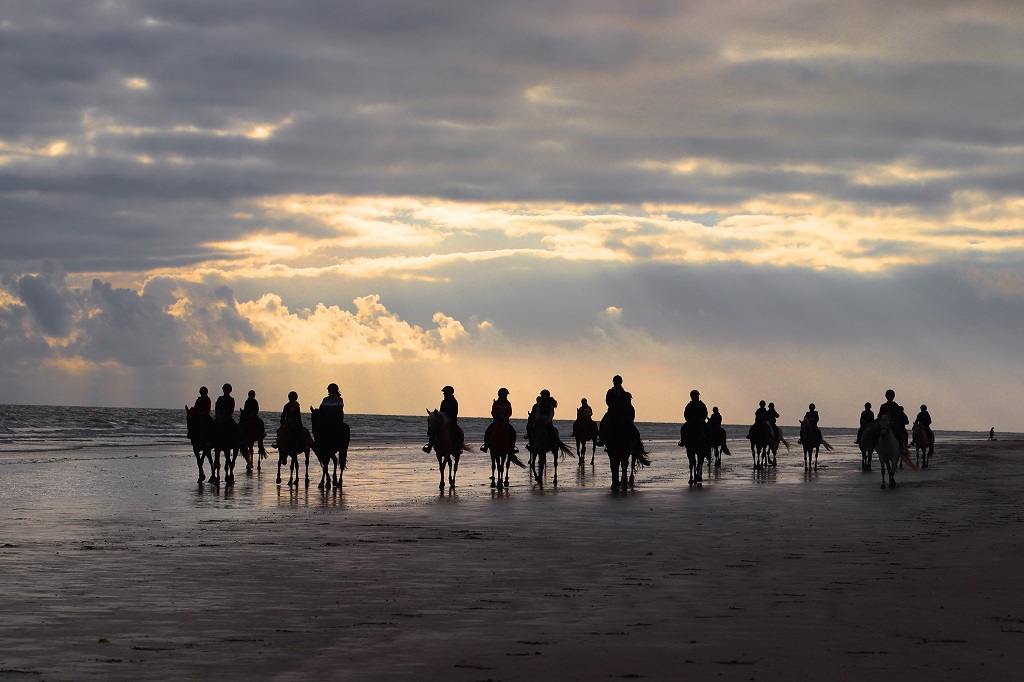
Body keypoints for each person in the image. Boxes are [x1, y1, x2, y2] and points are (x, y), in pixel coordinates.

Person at [424, 386, 462, 453]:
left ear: (449, 393)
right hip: (443, 422)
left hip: (452, 422)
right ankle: (429, 447)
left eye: (445, 392)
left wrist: (448, 419)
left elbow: (454, 413)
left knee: (456, 432)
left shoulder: (454, 402)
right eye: (444, 393)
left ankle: (458, 448)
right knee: (433, 431)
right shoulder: (443, 402)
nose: (444, 394)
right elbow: (441, 413)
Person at [482, 387, 518, 453]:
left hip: (505, 422)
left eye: (506, 395)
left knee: (513, 432)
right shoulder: (495, 403)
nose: (506, 396)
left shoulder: (508, 403)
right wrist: (496, 417)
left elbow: (510, 412)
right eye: (504, 394)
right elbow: (493, 412)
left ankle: (512, 447)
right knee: (488, 431)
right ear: (500, 395)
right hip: (496, 422)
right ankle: (486, 446)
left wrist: (505, 417)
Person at [878, 389, 909, 454]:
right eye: (888, 396)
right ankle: (875, 446)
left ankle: (901, 447)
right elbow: (880, 414)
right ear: (886, 397)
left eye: (891, 396)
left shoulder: (895, 406)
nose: (889, 398)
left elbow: (898, 415)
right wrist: (880, 419)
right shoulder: (883, 406)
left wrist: (893, 421)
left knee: (901, 432)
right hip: (884, 423)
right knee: (875, 431)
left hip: (893, 424)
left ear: (893, 397)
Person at [239, 389, 267, 456]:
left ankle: (261, 434)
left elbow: (257, 409)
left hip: (253, 416)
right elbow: (245, 409)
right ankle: (240, 435)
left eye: (252, 395)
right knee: (241, 423)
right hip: (247, 416)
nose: (251, 396)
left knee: (260, 423)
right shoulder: (247, 402)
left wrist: (253, 414)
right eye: (250, 395)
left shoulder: (255, 402)